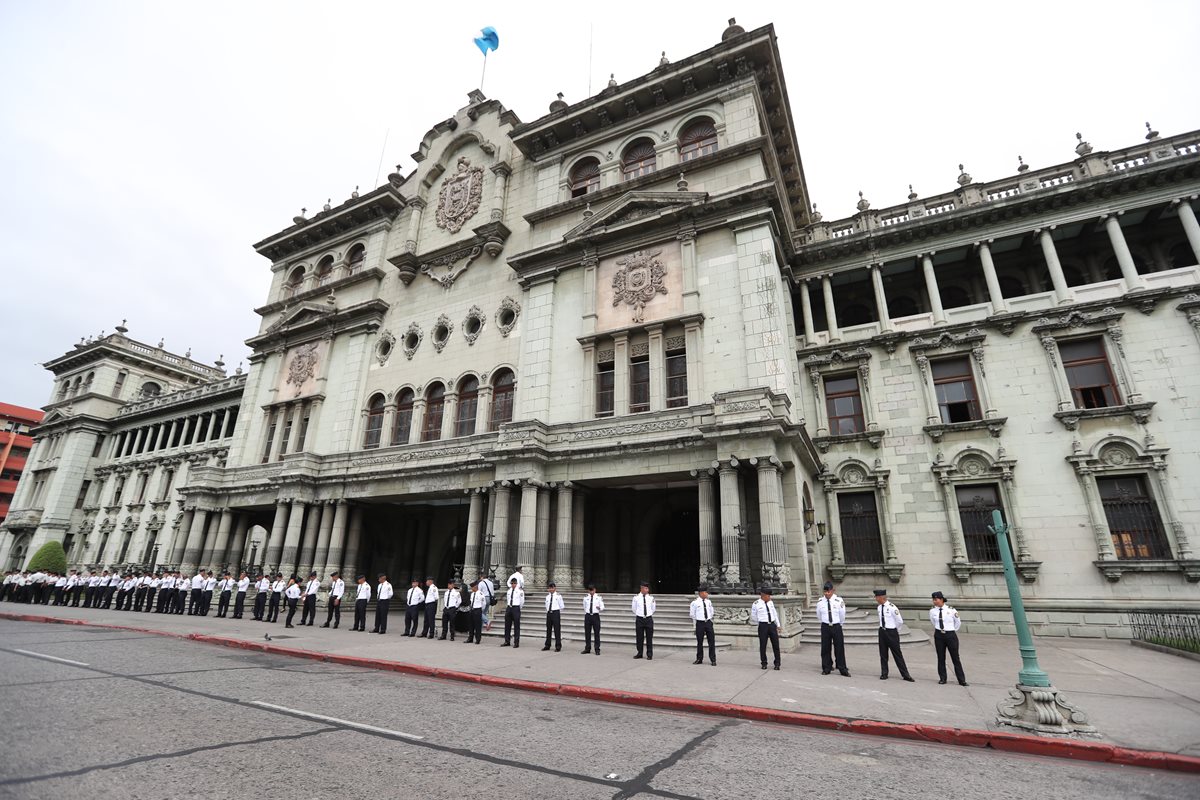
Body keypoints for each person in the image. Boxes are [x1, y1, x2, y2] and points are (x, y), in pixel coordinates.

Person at [930, 591, 968, 686]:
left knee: (955, 657)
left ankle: (961, 679)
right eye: (933, 600)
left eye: (936, 599)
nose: (935, 601)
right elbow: (933, 622)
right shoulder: (932, 611)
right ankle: (943, 678)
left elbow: (957, 622)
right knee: (941, 657)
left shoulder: (951, 610)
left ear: (941, 599)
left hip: (950, 634)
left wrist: (951, 630)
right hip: (939, 635)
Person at [875, 589, 914, 681]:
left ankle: (905, 674)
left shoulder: (892, 607)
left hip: (891, 632)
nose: (876, 599)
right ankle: (884, 673)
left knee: (897, 654)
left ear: (881, 597)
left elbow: (899, 621)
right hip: (882, 631)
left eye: (876, 597)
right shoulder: (879, 607)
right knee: (883, 653)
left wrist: (895, 630)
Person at [817, 581, 850, 677]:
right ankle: (826, 667)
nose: (827, 594)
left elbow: (842, 614)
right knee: (825, 648)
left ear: (833, 591)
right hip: (825, 626)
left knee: (839, 648)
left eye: (829, 592)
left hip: (836, 626)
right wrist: (825, 622)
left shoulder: (838, 601)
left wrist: (839, 624)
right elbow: (818, 615)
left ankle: (842, 668)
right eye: (825, 592)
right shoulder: (820, 602)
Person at [751, 586, 783, 670]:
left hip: (772, 625)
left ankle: (777, 663)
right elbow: (753, 617)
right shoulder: (756, 604)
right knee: (763, 645)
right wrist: (761, 622)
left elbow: (775, 614)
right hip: (763, 626)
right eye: (768, 596)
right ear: (763, 595)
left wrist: (778, 625)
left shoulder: (770, 602)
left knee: (776, 645)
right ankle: (764, 663)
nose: (769, 597)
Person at [690, 584, 716, 666]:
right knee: (700, 642)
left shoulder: (708, 602)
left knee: (711, 641)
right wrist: (696, 623)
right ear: (701, 593)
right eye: (705, 592)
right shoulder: (694, 603)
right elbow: (692, 614)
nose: (707, 594)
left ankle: (713, 659)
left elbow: (712, 611)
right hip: (700, 623)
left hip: (708, 622)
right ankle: (699, 658)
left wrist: (709, 619)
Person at [632, 581, 655, 660]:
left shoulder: (651, 598)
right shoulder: (636, 598)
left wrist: (647, 614)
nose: (647, 590)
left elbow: (653, 608)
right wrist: (640, 614)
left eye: (647, 588)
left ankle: (649, 654)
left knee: (649, 637)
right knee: (639, 637)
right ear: (641, 588)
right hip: (640, 619)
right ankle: (639, 653)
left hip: (648, 619)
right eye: (645, 588)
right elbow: (634, 609)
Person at [581, 583, 604, 655]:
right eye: (590, 590)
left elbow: (603, 606)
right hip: (588, 615)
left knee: (596, 633)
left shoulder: (599, 597)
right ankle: (587, 648)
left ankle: (597, 649)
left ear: (595, 590)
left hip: (595, 615)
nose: (591, 592)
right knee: (587, 633)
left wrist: (599, 608)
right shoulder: (585, 598)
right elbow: (584, 607)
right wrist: (588, 612)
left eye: (592, 590)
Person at [502, 577, 524, 647]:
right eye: (512, 583)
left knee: (516, 626)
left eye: (514, 583)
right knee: (507, 625)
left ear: (516, 583)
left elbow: (522, 601)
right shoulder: (509, 591)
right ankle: (507, 641)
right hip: (509, 607)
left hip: (516, 607)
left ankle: (516, 642)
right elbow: (508, 600)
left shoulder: (520, 591)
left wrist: (518, 608)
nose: (513, 584)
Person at [543, 581, 564, 652]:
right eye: (549, 588)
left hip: (555, 613)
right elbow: (546, 605)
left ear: (555, 588)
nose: (551, 589)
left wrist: (556, 612)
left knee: (557, 630)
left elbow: (562, 606)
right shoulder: (547, 597)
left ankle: (558, 645)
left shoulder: (558, 596)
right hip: (549, 613)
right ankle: (547, 645)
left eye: (552, 588)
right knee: (548, 629)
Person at [466, 580, 485, 644]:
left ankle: (478, 639)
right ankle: (470, 638)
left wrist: (480, 609)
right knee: (471, 625)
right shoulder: (472, 594)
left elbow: (483, 603)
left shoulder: (480, 594)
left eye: (472, 587)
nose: (471, 589)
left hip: (477, 610)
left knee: (477, 626)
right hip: (472, 609)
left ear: (475, 587)